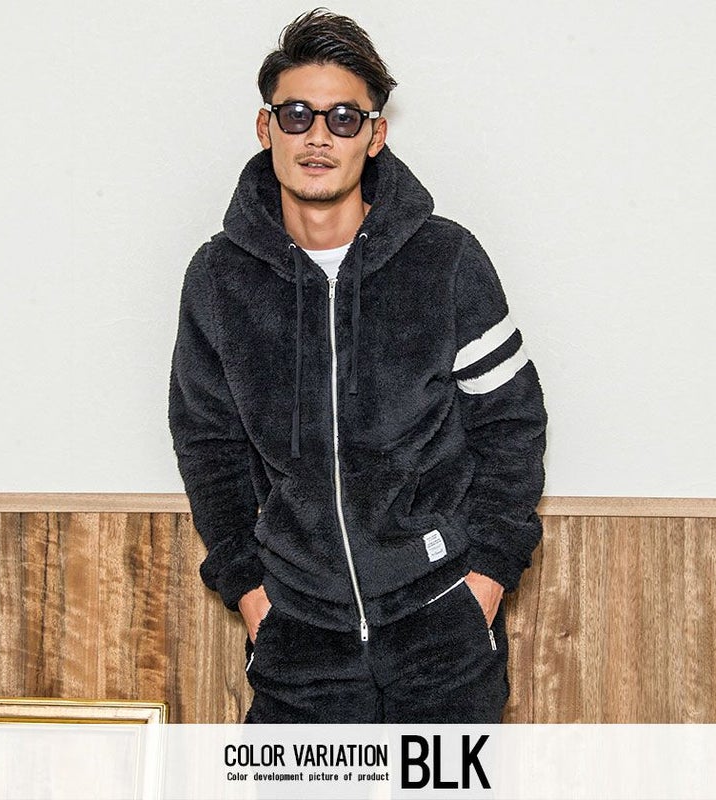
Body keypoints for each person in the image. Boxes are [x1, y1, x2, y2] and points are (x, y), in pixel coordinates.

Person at [169, 9, 547, 723]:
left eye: (344, 118)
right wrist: (250, 593)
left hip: (441, 626)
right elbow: (207, 446)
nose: (319, 136)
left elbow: (512, 426)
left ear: (375, 135)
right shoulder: (219, 280)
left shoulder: (445, 261)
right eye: (298, 115)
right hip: (298, 639)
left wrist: (487, 578)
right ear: (266, 128)